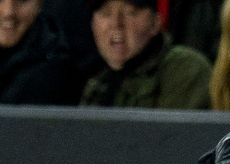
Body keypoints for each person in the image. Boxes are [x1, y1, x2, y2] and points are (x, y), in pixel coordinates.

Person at [81, 0, 212, 109]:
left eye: (130, 12)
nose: (116, 24)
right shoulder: (97, 85)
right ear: (92, 24)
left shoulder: (185, 69)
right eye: (106, 13)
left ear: (156, 22)